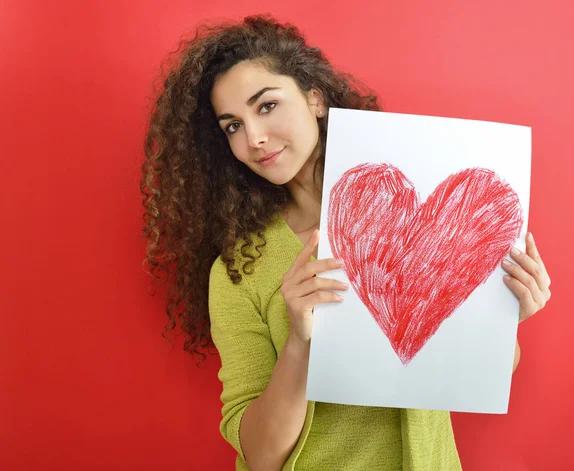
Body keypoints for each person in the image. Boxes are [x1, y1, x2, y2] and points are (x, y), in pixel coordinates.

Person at [140, 14, 552, 471]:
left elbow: (477, 373)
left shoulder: (429, 221)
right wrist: (299, 342)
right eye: (232, 126)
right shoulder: (240, 269)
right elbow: (258, 455)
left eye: (267, 106)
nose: (254, 137)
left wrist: (503, 315)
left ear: (314, 99)